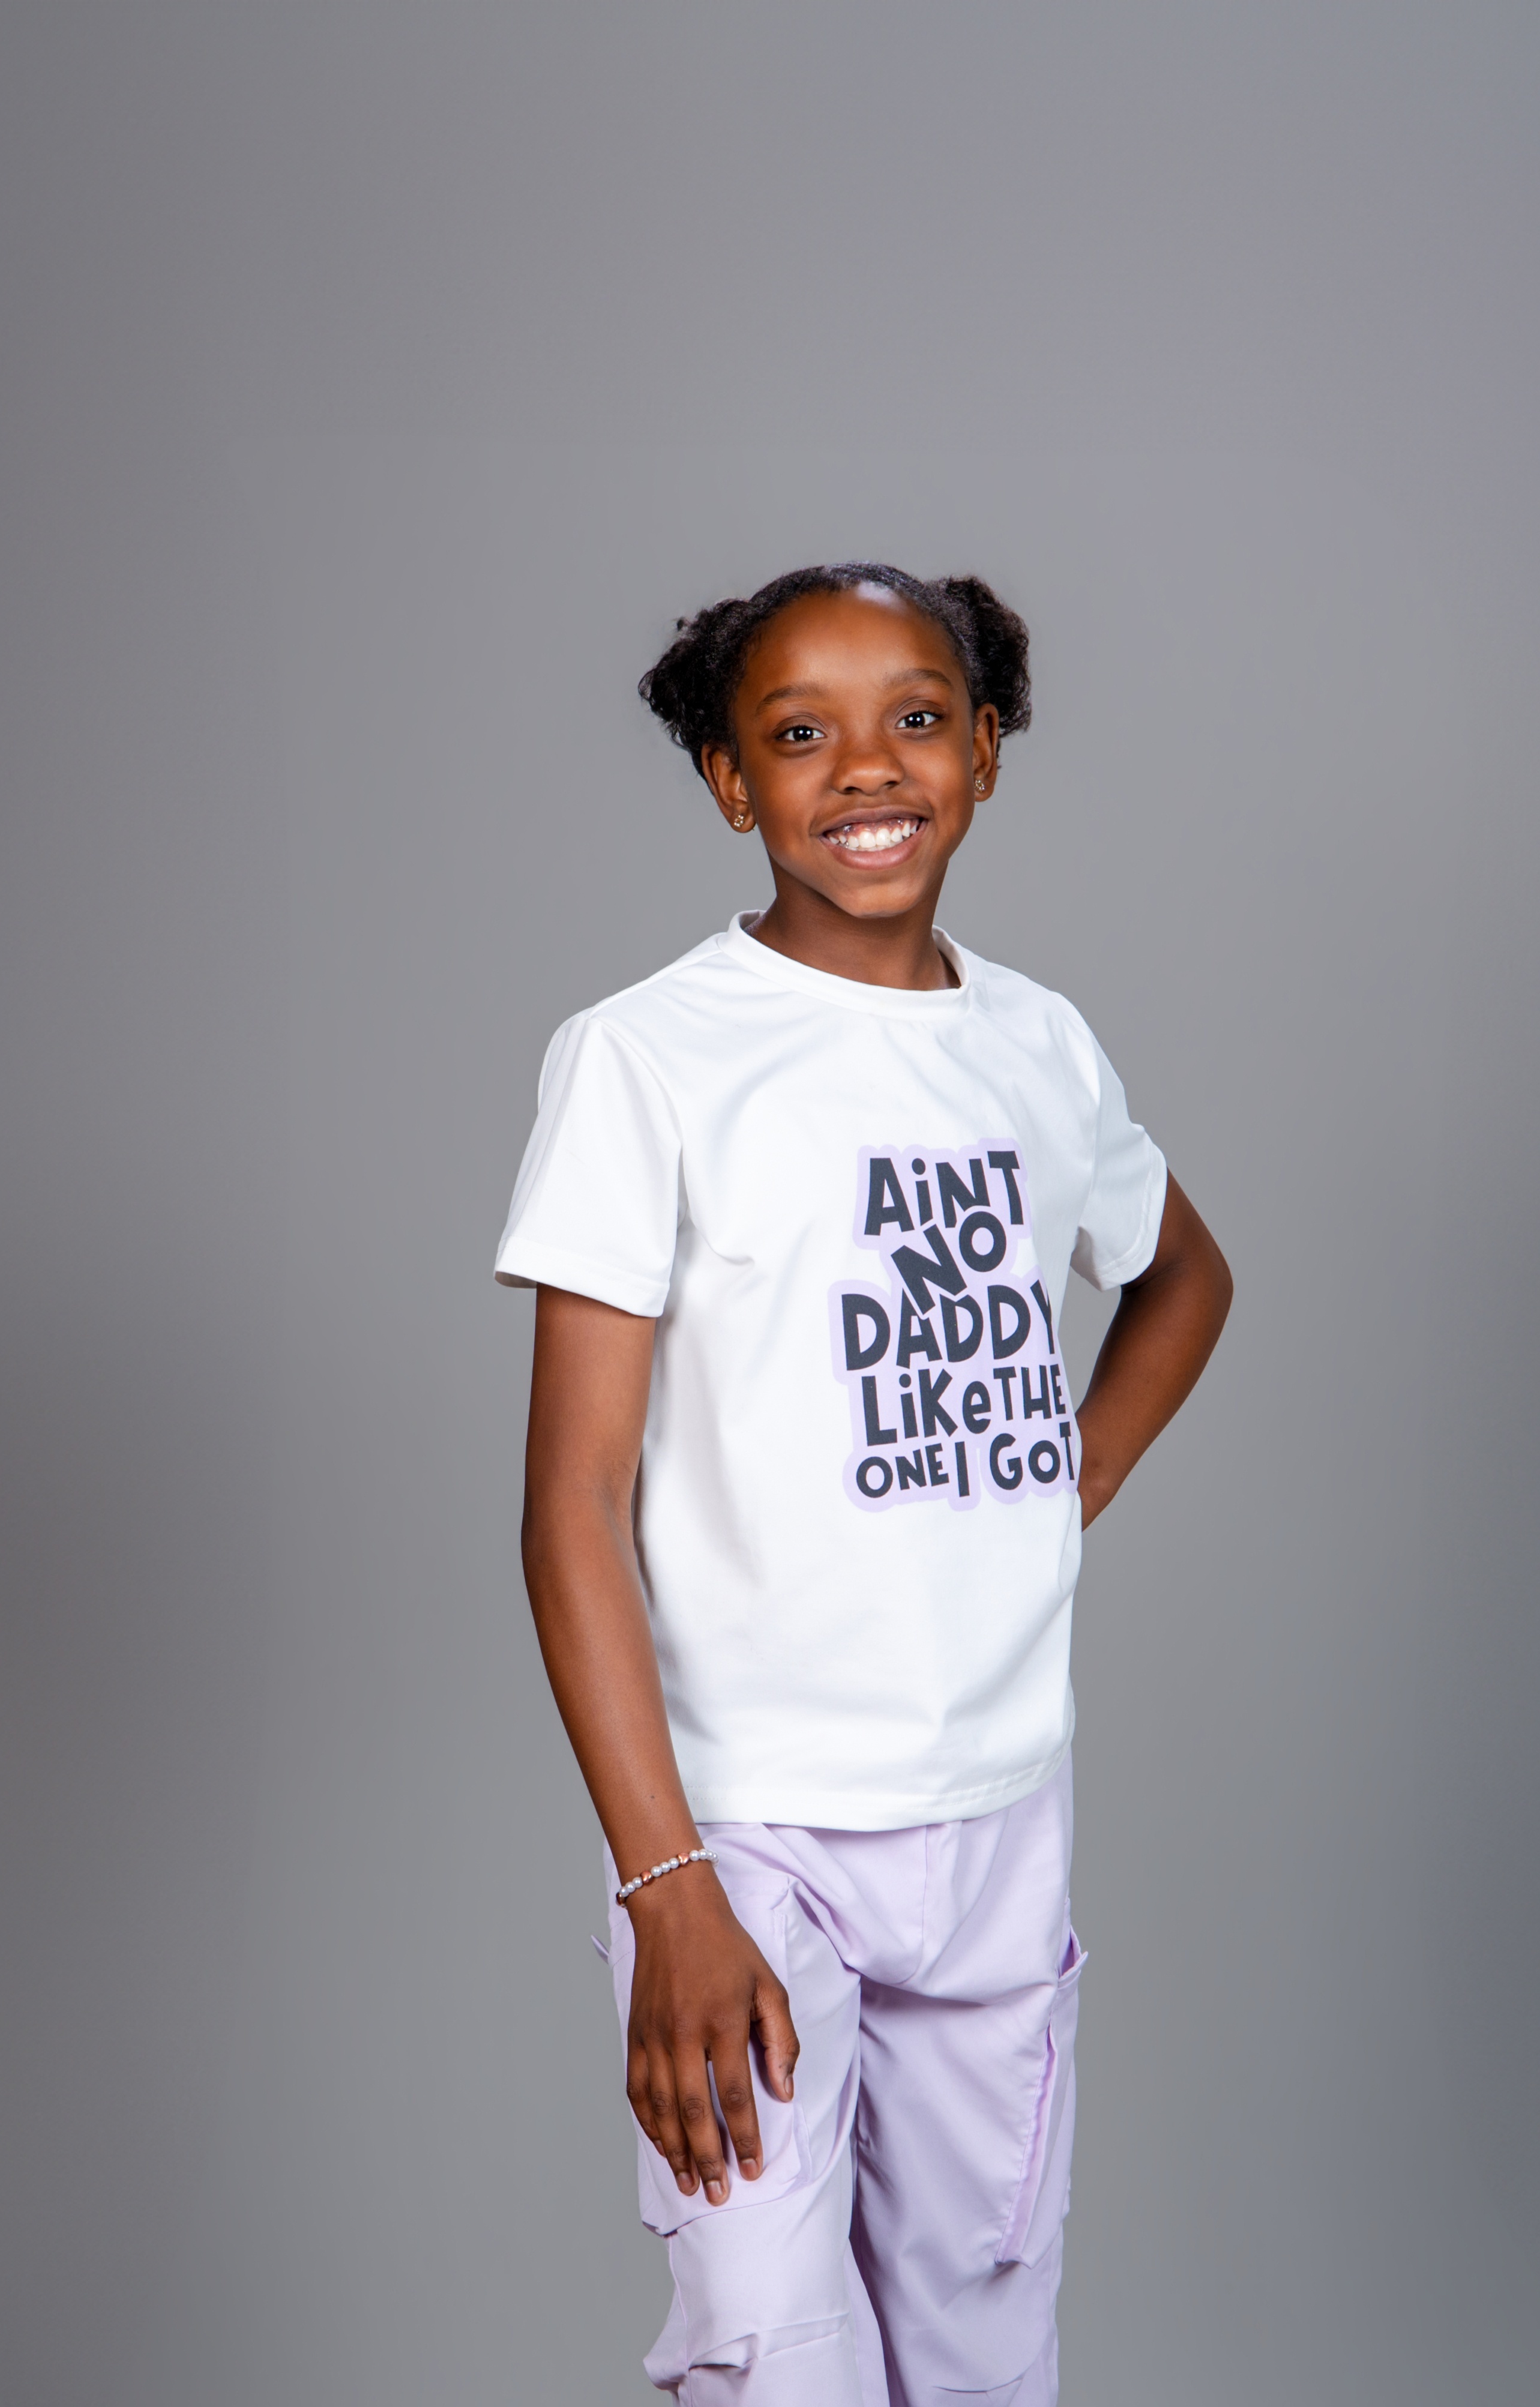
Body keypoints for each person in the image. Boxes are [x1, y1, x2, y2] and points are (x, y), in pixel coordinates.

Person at [497, 563, 1232, 2406]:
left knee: (982, 2354)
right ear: (729, 782)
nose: (867, 766)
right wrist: (669, 1887)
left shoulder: (1038, 1045)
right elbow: (571, 1503)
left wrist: (1056, 1484)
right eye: (798, 732)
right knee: (774, 2355)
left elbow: (1182, 1275)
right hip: (749, 1833)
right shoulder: (648, 1059)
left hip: (998, 1813)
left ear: (985, 748)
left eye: (914, 716)